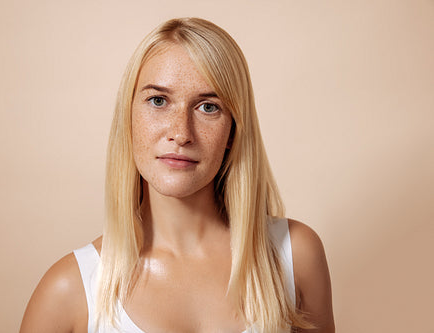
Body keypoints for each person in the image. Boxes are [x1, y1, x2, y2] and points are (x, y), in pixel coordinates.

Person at [20, 17, 334, 333]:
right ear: (128, 119)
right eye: (158, 101)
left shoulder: (295, 256)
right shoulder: (68, 292)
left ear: (233, 132)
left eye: (208, 107)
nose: (181, 133)